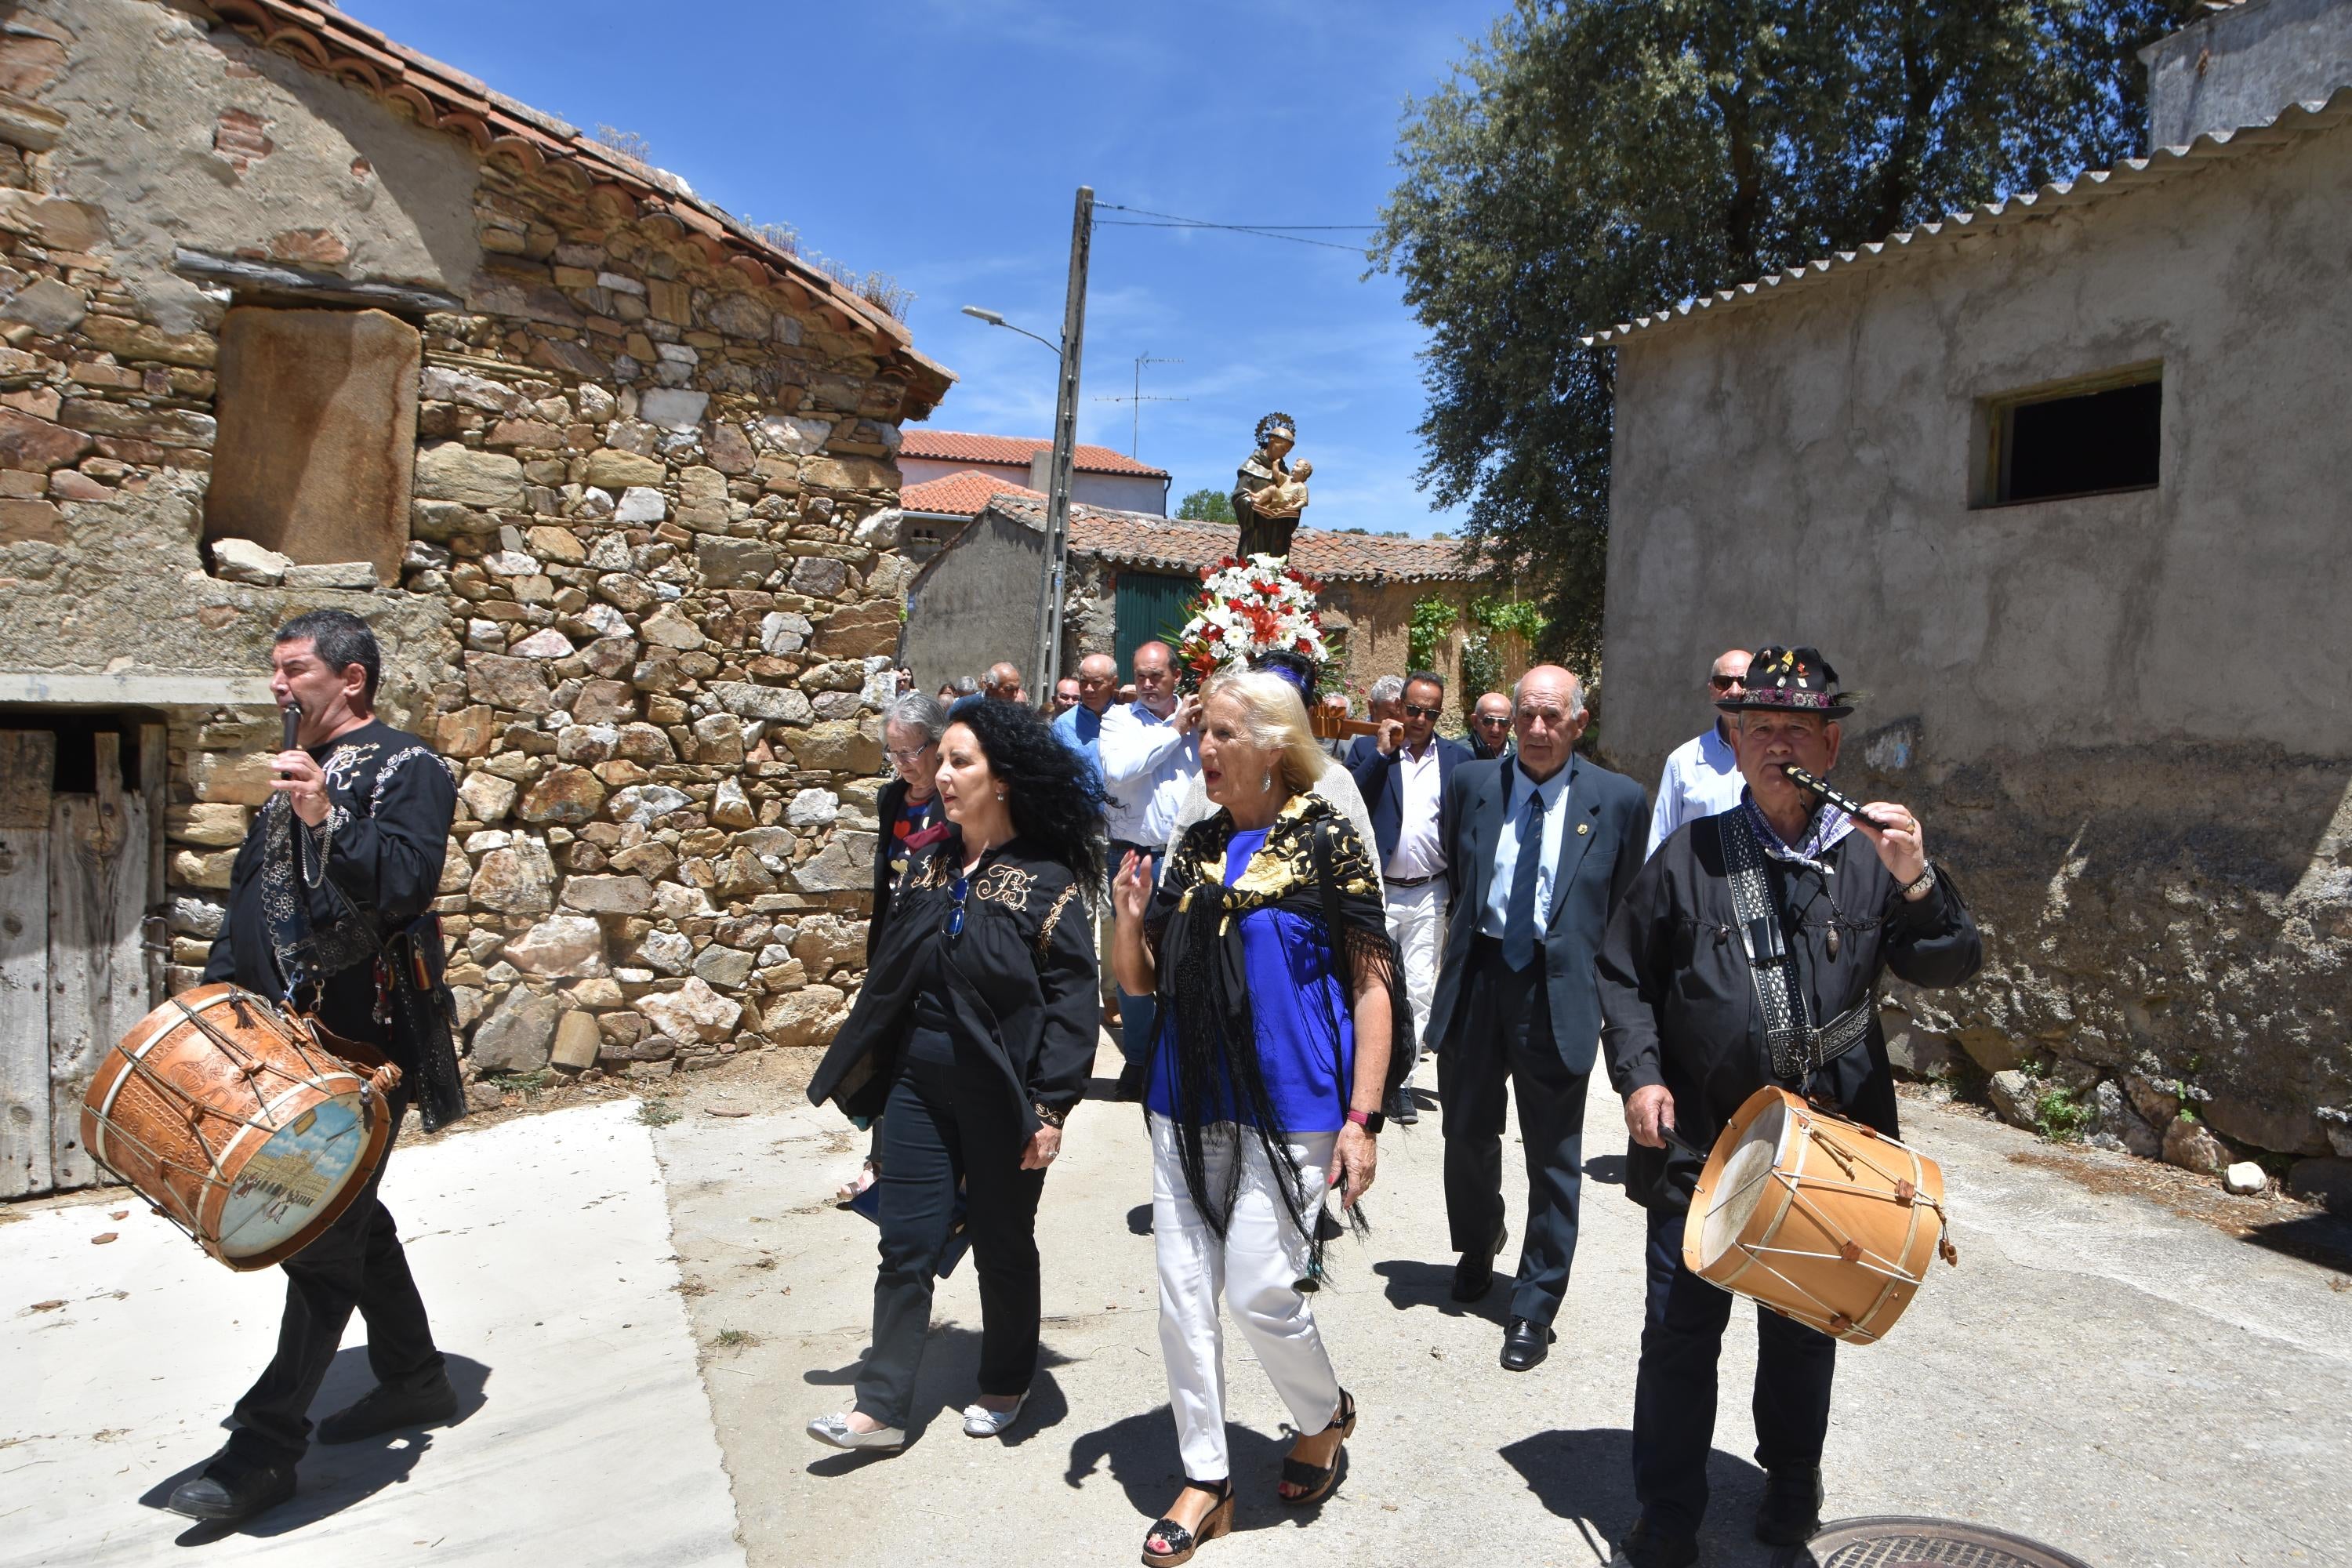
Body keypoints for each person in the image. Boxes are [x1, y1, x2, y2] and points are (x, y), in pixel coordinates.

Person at [1596, 647, 1983, 1566]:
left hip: (1832, 1141)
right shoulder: (1689, 855)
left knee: (1807, 1322)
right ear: (1735, 743)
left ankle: (1792, 1481)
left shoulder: (1873, 856)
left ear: (1831, 743)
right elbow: (1623, 973)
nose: (1776, 744)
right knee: (1681, 1330)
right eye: (1758, 728)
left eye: (1796, 729)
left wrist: (1919, 879)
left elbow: (1950, 962)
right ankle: (1668, 1510)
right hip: (1704, 1136)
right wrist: (1641, 1074)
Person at [169, 609, 466, 1523]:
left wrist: (328, 813)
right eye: (275, 669)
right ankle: (415, 1377)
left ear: (352, 680)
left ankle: (263, 1447)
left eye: (294, 667)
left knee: (318, 1239)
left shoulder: (408, 766)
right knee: (350, 1220)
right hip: (277, 1046)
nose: (278, 684)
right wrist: (220, 1008)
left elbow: (408, 880)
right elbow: (253, 907)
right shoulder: (287, 780)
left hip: (362, 1050)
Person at [1111, 667, 1410, 1565]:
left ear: (1275, 744)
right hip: (1185, 1091)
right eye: (1201, 731)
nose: (1204, 748)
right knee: (1182, 1296)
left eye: (1223, 733)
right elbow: (1142, 980)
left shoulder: (1328, 839)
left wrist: (1363, 1117)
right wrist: (1129, 920)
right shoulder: (1193, 840)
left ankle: (1325, 1412)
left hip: (1295, 1100)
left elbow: (1372, 983)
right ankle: (1206, 1475)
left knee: (1258, 1288)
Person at [805, 700, 1102, 1452]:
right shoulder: (928, 862)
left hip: (1002, 1097)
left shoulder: (1047, 880)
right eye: (941, 761)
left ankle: (1006, 1377)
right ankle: (879, 1407)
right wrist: (873, 1093)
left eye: (960, 762)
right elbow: (892, 978)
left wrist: (1052, 1107)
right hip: (917, 1088)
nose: (942, 775)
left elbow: (1073, 1001)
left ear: (1002, 780)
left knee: (1004, 1241)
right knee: (904, 1244)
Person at [1425, 666, 1645, 1371]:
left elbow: (1622, 913)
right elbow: (1464, 882)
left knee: (1553, 1155)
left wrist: (1616, 1006)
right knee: (1464, 1131)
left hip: (1557, 990)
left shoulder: (1619, 801)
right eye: (1526, 717)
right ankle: (1478, 1238)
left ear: (1580, 723)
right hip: (1482, 978)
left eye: (1553, 718)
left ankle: (1535, 1302)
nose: (1538, 731)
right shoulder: (1471, 786)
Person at [836, 692, 952, 1205]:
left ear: (938, 742)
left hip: (942, 948)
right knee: (885, 1046)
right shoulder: (891, 800)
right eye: (894, 753)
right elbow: (886, 879)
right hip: (892, 943)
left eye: (910, 751)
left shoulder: (956, 799)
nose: (903, 764)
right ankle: (880, 1160)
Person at [1345, 669, 1470, 1125]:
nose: (1419, 719)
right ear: (1398, 708)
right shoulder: (1368, 750)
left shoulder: (1457, 759)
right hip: (1375, 891)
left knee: (1417, 988)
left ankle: (1400, 1083)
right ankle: (1361, 1080)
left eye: (1430, 713)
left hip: (1429, 891)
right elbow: (1348, 801)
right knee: (1366, 985)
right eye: (1412, 709)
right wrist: (1382, 753)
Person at [1163, 651, 1379, 873]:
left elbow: (1366, 874)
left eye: (1285, 711)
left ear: (1305, 715)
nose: (1205, 750)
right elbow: (1175, 863)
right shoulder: (1211, 778)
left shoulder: (1335, 781)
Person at [1098, 640, 1202, 1098]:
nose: (1146, 684)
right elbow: (1119, 770)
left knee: (1191, 955)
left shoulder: (1203, 720)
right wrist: (1175, 731)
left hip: (1191, 855)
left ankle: (1185, 1055)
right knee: (1131, 958)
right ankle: (1138, 1059)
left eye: (1156, 675)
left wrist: (1191, 726)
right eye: (1140, 674)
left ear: (1177, 676)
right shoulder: (1119, 719)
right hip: (1133, 855)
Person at [1644, 648, 1751, 858]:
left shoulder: (1775, 755)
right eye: (1724, 682)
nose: (1735, 691)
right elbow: (1660, 840)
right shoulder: (1683, 762)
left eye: (1744, 681)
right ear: (1712, 690)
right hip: (1701, 887)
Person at [1467, 691, 1513, 760]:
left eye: (1503, 722)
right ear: (1475, 721)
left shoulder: (1521, 754)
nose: (1496, 730)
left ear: (1510, 725)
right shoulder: (1458, 753)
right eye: (1489, 721)